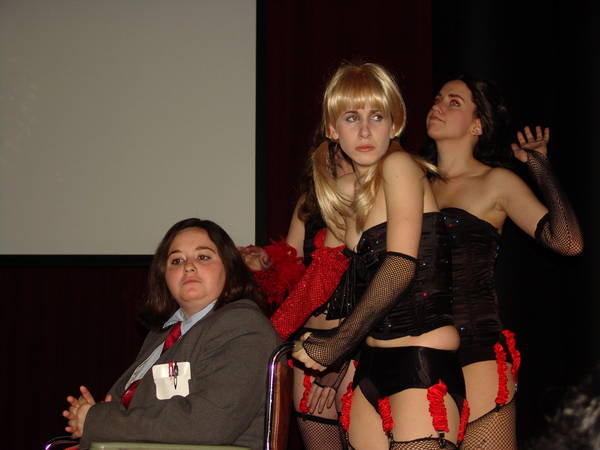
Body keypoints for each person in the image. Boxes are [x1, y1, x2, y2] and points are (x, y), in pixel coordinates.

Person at [293, 62, 467, 450]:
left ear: (395, 124)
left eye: (376, 116)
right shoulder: (349, 194)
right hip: (369, 366)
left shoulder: (399, 165)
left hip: (419, 361)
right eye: (351, 118)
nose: (365, 131)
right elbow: (336, 287)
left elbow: (400, 265)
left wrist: (336, 344)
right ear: (333, 129)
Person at [424, 76, 583, 449]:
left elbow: (569, 242)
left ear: (478, 125)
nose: (437, 106)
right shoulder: (413, 180)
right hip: (416, 349)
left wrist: (539, 165)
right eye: (437, 98)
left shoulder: (496, 182)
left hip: (475, 347)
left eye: (453, 102)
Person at [61, 218, 280, 450]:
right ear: (164, 276)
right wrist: (89, 414)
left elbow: (205, 424)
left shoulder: (244, 326)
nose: (188, 266)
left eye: (203, 257)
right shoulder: (161, 334)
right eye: (177, 260)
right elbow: (129, 406)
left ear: (230, 267)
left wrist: (97, 420)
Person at [242, 143, 356, 450]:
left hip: (355, 347)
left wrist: (337, 359)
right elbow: (292, 267)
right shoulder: (310, 201)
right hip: (307, 344)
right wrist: (265, 264)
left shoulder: (378, 193)